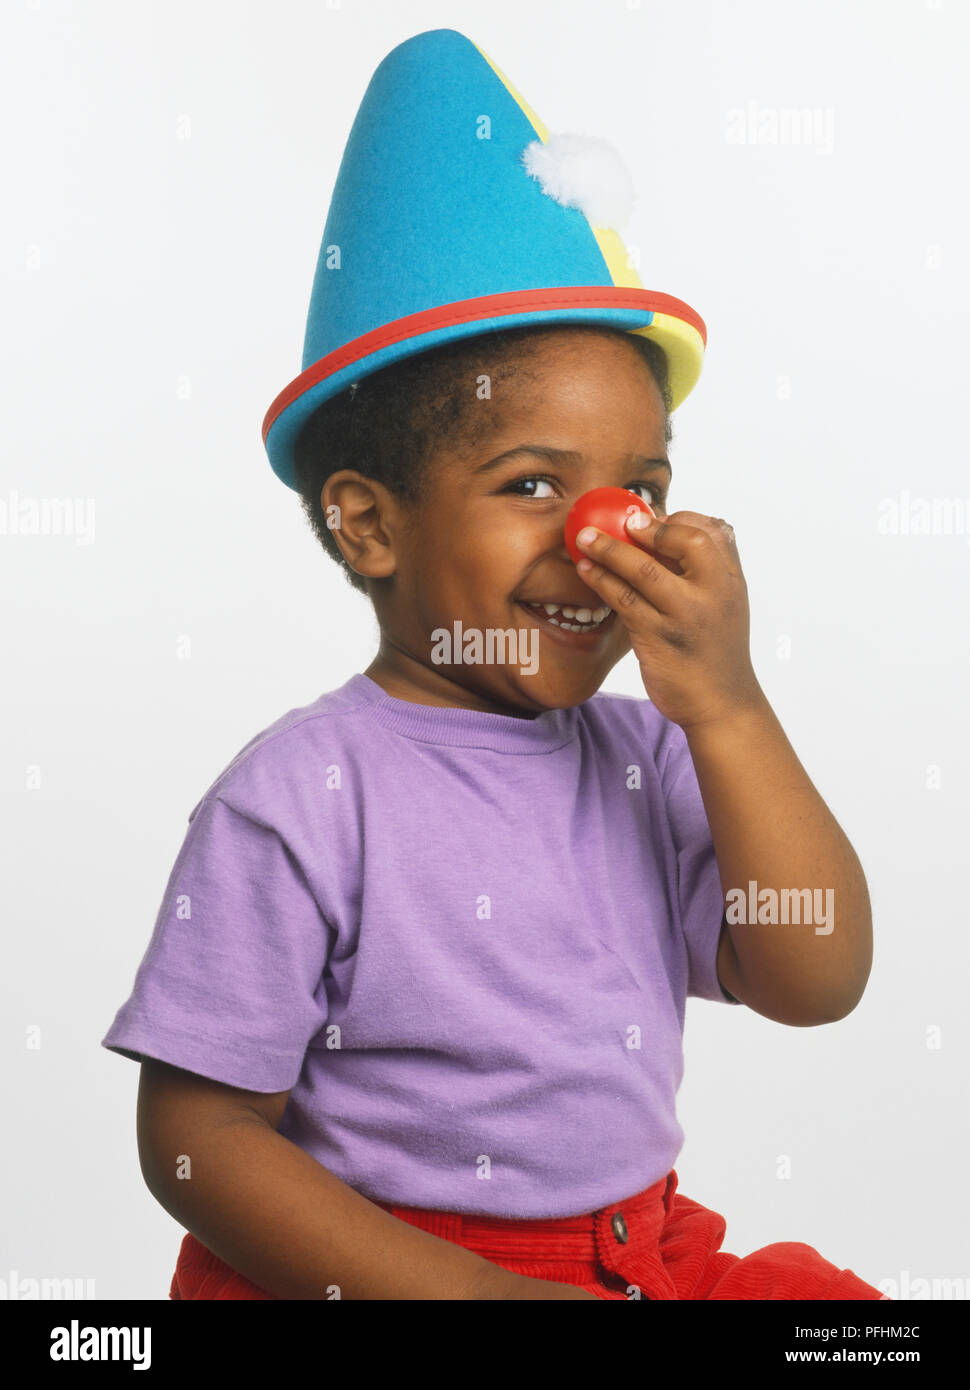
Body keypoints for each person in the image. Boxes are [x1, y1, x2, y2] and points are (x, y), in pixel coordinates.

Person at [101, 28, 888, 1301]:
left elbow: (815, 979)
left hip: (636, 1253)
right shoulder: (299, 795)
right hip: (384, 1270)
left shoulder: (655, 755)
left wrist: (731, 711)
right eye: (532, 484)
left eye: (642, 488)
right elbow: (196, 1141)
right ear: (370, 522)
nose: (603, 536)